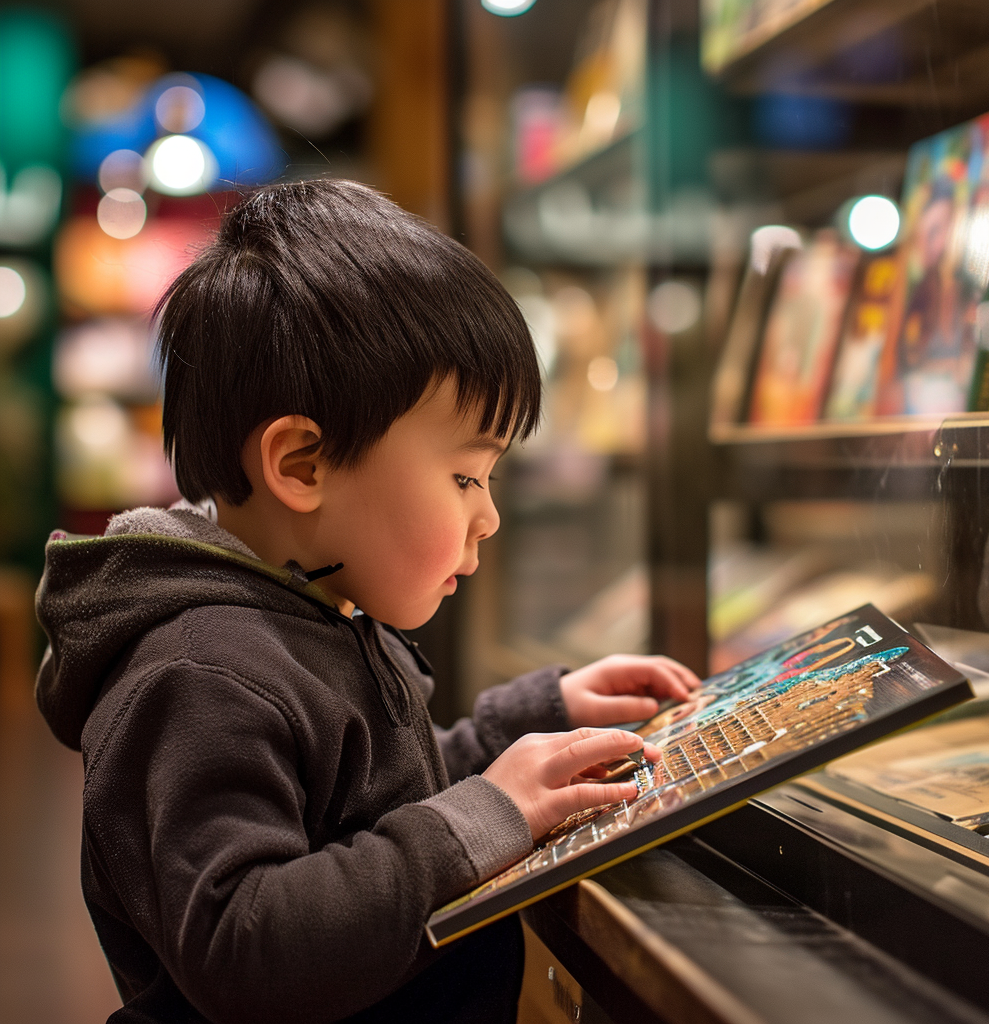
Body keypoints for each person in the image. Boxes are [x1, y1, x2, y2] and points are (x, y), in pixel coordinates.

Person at [34, 179, 699, 1024]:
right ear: (303, 464)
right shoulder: (200, 673)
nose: (487, 515)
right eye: (465, 475)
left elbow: (369, 807)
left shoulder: (318, 608)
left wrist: (534, 722)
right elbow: (246, 945)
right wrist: (488, 814)